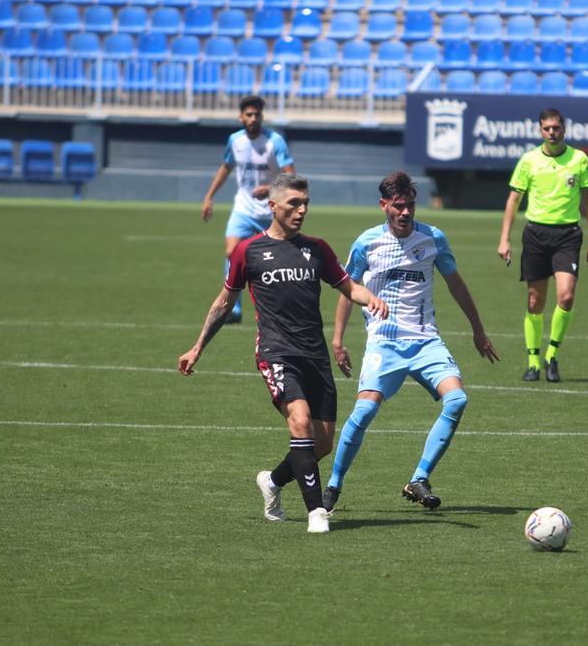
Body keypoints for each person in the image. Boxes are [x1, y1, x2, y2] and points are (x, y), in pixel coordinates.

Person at [178, 174, 387, 534]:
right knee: (300, 422)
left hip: (315, 357)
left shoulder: (317, 249)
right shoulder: (248, 251)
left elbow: (347, 286)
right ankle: (317, 512)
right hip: (276, 352)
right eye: (294, 203)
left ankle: (272, 482)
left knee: (320, 444)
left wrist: (371, 298)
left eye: (305, 203)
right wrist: (198, 346)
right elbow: (225, 302)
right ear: (272, 206)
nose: (302, 210)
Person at [324, 171, 498, 512]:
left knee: (457, 399)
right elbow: (347, 290)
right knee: (364, 410)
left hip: (425, 341)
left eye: (410, 206)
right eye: (399, 206)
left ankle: (419, 478)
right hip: (384, 342)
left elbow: (456, 285)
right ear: (384, 205)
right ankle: (333, 486)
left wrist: (478, 329)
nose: (405, 213)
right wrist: (338, 339)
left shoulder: (433, 239)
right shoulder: (366, 243)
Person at [497, 108, 588, 383]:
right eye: (547, 128)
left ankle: (551, 356)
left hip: (567, 235)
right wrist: (504, 239)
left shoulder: (579, 159)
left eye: (556, 128)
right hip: (535, 236)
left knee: (565, 296)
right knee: (535, 301)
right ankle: (532, 362)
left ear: (564, 129)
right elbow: (513, 200)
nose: (552, 133)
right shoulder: (529, 160)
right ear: (540, 131)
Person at [200, 95, 295, 324]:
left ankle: (279, 308)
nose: (253, 119)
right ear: (241, 116)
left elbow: (291, 175)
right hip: (243, 207)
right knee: (232, 251)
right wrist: (209, 197)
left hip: (271, 210)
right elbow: (226, 167)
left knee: (279, 260)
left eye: (257, 115)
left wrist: (270, 188)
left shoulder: (275, 141)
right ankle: (232, 308)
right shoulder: (235, 141)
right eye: (249, 115)